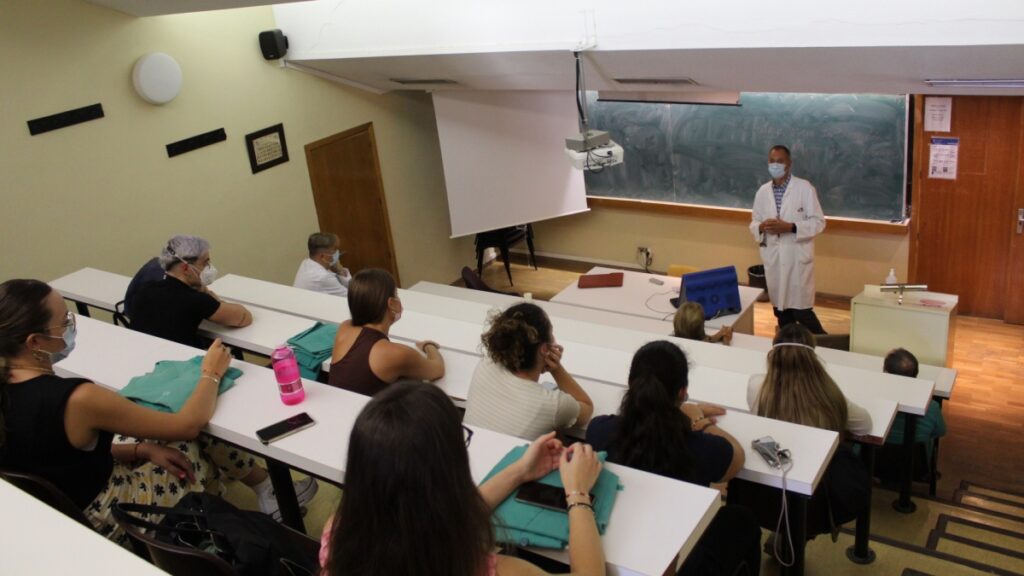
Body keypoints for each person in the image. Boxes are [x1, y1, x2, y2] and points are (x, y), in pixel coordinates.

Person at [0, 280, 315, 543]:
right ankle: (257, 501)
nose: (71, 325)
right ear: (36, 341)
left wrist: (139, 448)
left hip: (64, 512)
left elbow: (57, 456)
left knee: (174, 431)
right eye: (64, 321)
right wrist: (212, 372)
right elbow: (187, 425)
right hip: (111, 517)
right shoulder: (77, 398)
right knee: (198, 432)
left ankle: (259, 492)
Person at [319, 381, 605, 576]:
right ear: (447, 468)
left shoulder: (340, 532)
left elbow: (437, 518)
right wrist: (578, 492)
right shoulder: (490, 569)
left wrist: (519, 471)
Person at [586, 341, 759, 576]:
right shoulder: (702, 448)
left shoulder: (599, 431)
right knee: (743, 519)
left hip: (619, 547)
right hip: (683, 561)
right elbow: (737, 457)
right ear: (682, 392)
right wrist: (698, 420)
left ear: (631, 386)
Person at [464, 303, 594, 439]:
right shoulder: (553, 404)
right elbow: (587, 409)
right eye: (551, 334)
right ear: (544, 349)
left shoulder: (486, 364)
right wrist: (556, 369)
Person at [749, 145, 827, 334]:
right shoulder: (763, 191)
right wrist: (761, 226)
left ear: (789, 164)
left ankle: (829, 347)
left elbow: (819, 222)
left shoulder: (804, 188)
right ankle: (790, 349)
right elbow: (754, 221)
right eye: (772, 161)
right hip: (774, 259)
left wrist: (791, 227)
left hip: (797, 260)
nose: (775, 165)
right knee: (781, 312)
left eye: (780, 161)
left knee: (802, 312)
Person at [328, 268, 444, 395]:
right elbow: (437, 369)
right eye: (396, 294)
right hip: (365, 414)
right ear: (392, 303)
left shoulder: (345, 327)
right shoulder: (397, 354)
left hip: (333, 409)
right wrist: (429, 346)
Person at [747, 323, 871, 436]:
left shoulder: (757, 385)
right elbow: (864, 427)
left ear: (773, 354)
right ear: (812, 356)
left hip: (773, 455)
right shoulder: (826, 391)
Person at [130, 235, 252, 348]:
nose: (209, 267)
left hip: (140, 356)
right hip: (178, 365)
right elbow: (243, 318)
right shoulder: (194, 300)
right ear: (186, 268)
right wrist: (215, 299)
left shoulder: (145, 288)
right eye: (205, 262)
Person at [878, 348, 947, 482]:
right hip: (916, 466)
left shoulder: (876, 400)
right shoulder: (931, 407)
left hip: (874, 463)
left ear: (886, 373)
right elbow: (940, 431)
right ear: (916, 373)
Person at [294, 232, 352, 297]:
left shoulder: (306, 262)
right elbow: (353, 297)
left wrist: (340, 270)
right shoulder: (322, 277)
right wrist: (340, 271)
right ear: (322, 256)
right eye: (335, 250)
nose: (337, 253)